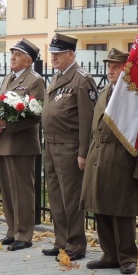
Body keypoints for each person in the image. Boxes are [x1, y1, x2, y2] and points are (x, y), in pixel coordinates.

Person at [81, 48, 138, 275]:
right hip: (98, 153)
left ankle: (127, 256)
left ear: (126, 69)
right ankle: (110, 254)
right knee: (101, 206)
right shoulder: (106, 90)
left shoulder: (133, 93)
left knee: (121, 209)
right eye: (109, 66)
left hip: (120, 156)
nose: (110, 70)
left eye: (116, 66)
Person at [41, 33, 97, 261]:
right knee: (55, 196)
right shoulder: (56, 78)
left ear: (71, 54)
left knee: (71, 198)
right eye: (52, 53)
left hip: (70, 147)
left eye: (58, 54)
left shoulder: (82, 80)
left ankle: (75, 244)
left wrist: (83, 153)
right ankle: (61, 240)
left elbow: (88, 120)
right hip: (52, 145)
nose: (53, 57)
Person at [0, 39, 47, 251]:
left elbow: (35, 114)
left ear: (28, 60)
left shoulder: (34, 81)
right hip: (4, 141)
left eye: (17, 54)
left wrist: (6, 125)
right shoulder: (7, 78)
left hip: (21, 143)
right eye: (12, 53)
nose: (12, 57)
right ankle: (11, 231)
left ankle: (24, 234)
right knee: (7, 190)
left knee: (22, 191)